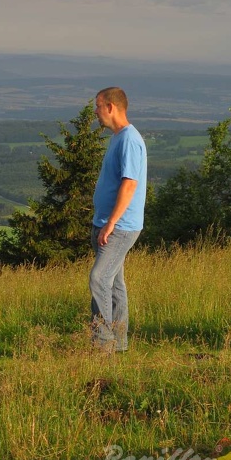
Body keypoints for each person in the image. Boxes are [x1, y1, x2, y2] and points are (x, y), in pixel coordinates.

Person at [90, 87, 147, 353]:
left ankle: (103, 343)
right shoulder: (118, 138)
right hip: (109, 223)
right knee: (114, 284)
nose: (96, 112)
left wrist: (111, 222)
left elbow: (130, 184)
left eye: (98, 106)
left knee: (99, 279)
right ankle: (120, 343)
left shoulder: (129, 140)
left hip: (120, 227)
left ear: (111, 106)